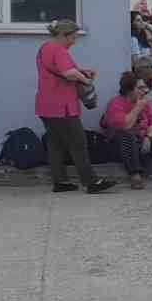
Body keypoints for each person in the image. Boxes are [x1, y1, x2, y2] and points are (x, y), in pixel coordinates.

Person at [36, 20, 115, 195]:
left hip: (45, 105)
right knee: (78, 143)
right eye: (72, 37)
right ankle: (92, 182)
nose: (74, 41)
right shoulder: (59, 50)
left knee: (56, 144)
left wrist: (82, 72)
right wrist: (86, 80)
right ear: (63, 35)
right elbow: (68, 73)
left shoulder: (45, 48)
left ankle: (60, 181)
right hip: (61, 106)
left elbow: (60, 71)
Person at [101, 72, 152, 190]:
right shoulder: (116, 103)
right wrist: (138, 108)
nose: (145, 90)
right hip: (121, 145)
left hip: (142, 141)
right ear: (129, 90)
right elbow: (126, 125)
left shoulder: (144, 103)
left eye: (145, 87)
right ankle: (135, 174)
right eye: (140, 88)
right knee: (127, 134)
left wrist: (148, 137)